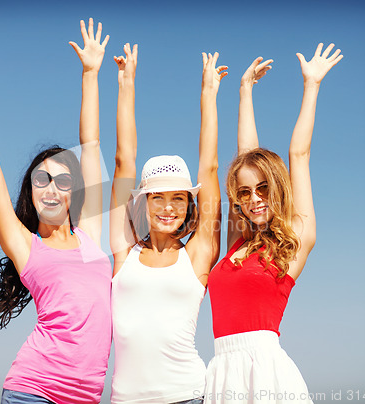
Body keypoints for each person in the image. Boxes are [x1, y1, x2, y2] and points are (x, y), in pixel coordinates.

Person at [0, 18, 112, 404]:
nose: (52, 189)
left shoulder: (91, 234)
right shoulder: (24, 246)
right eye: (42, 180)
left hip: (85, 397)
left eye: (62, 181)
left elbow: (90, 144)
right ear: (31, 191)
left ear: (75, 192)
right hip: (33, 391)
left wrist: (90, 73)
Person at [204, 43, 343, 403]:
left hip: (266, 373)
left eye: (263, 189)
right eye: (246, 192)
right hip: (220, 370)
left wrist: (311, 85)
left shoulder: (298, 236)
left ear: (278, 188)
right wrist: (245, 90)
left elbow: (300, 153)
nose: (254, 199)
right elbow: (244, 156)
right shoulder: (239, 238)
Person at [109, 43, 227, 404]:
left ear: (188, 203)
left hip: (187, 394)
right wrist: (126, 82)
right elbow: (123, 163)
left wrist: (208, 93)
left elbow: (208, 168)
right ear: (143, 202)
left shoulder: (197, 255)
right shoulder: (123, 250)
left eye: (178, 197)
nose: (168, 207)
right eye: (157, 197)